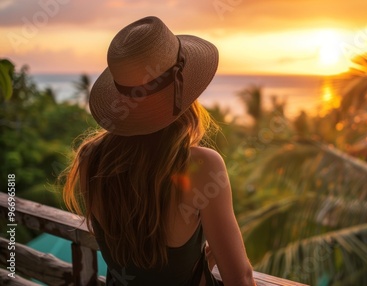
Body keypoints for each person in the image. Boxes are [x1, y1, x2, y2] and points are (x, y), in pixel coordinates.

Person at [63, 16, 255, 286]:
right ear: (187, 88)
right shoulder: (201, 165)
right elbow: (240, 277)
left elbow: (138, 261)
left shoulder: (90, 159)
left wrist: (193, 258)